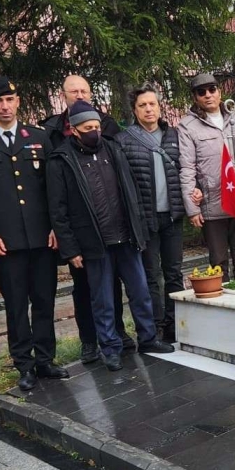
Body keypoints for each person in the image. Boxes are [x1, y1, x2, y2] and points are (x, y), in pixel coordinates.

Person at [47, 102, 175, 371]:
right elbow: (58, 211)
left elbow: (132, 193)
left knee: (140, 292)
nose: (94, 131)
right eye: (87, 128)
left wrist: (139, 231)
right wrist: (71, 250)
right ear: (74, 130)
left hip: (126, 238)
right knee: (103, 300)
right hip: (95, 243)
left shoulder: (113, 149)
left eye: (96, 126)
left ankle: (148, 338)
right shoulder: (61, 160)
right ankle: (111, 348)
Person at [0, 77, 69, 392]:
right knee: (16, 306)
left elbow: (52, 188)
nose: (5, 106)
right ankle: (24, 364)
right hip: (5, 242)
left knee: (45, 300)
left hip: (42, 237)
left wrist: (55, 227)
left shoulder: (38, 137)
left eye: (10, 99)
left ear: (18, 100)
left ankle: (46, 359)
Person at [40, 74, 133, 360]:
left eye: (84, 91)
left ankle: (117, 331)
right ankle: (89, 340)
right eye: (73, 91)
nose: (79, 95)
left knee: (112, 283)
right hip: (78, 226)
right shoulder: (50, 130)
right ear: (63, 94)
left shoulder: (107, 125)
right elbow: (48, 185)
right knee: (83, 286)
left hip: (109, 225)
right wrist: (55, 227)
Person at [115, 83, 185, 344]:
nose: (148, 109)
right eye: (142, 105)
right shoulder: (125, 141)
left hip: (173, 216)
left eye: (152, 104)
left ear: (159, 106)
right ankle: (154, 328)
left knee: (174, 273)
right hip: (145, 219)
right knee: (150, 276)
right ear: (135, 110)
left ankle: (176, 325)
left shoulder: (173, 136)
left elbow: (186, 171)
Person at [178, 73, 235, 281]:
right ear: (195, 97)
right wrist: (192, 208)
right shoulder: (187, 126)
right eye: (201, 92)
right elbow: (187, 167)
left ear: (220, 91)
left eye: (212, 89)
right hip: (213, 203)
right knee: (218, 263)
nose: (208, 95)